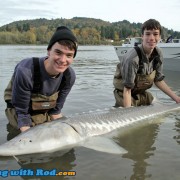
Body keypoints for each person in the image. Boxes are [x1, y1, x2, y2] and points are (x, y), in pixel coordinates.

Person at [4, 26, 78, 133]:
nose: (63, 60)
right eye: (58, 52)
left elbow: (56, 112)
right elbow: (23, 116)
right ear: (49, 51)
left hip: (45, 108)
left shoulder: (69, 76)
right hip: (19, 110)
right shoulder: (26, 70)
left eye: (69, 55)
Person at [113, 19, 180, 107]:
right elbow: (127, 90)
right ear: (142, 36)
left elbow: (158, 80)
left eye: (155, 34)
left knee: (161, 114)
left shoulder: (158, 53)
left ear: (159, 37)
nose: (151, 38)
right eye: (147, 34)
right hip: (125, 96)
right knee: (130, 116)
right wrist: (129, 113)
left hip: (142, 94)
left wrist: (177, 99)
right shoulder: (132, 58)